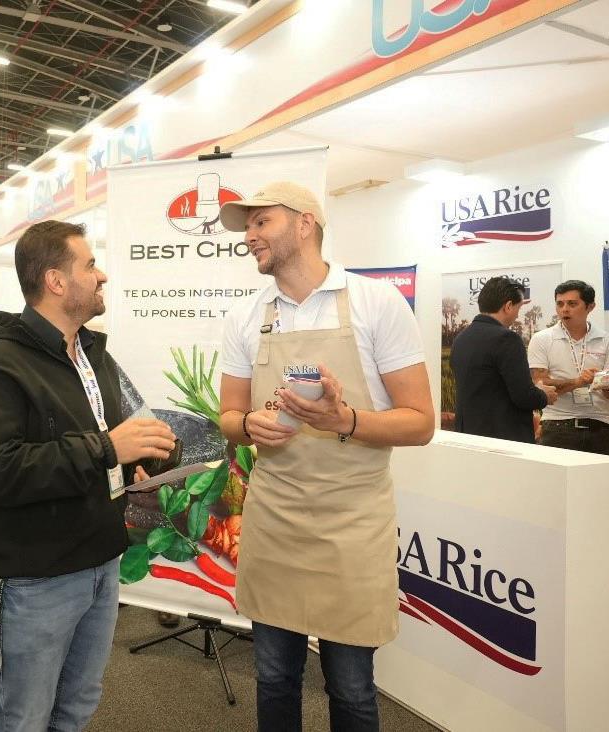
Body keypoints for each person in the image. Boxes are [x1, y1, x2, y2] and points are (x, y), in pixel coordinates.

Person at [216, 182, 435, 732]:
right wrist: (248, 426)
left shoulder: (375, 303)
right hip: (276, 516)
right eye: (248, 226)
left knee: (352, 687)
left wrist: (347, 421)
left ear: (305, 223)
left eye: (261, 222)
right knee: (273, 677)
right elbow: (227, 416)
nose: (249, 236)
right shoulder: (247, 316)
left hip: (352, 519)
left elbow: (421, 421)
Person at [0, 220, 175, 729]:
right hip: (36, 575)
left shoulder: (93, 353)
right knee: (25, 718)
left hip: (100, 560)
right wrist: (104, 449)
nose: (102, 276)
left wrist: (134, 454)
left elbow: (102, 440)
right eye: (90, 265)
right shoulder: (0, 363)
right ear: (56, 281)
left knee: (75, 708)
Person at [450, 277, 556, 442]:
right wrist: (543, 394)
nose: (517, 314)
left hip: (468, 436)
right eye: (518, 308)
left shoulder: (461, 338)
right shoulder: (507, 338)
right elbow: (523, 396)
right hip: (503, 439)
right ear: (508, 306)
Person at [527, 280, 609, 455]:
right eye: (560, 304)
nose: (564, 309)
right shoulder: (542, 339)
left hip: (601, 426)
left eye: (572, 304)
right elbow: (540, 384)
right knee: (554, 482)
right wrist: (578, 381)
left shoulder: (608, 341)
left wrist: (605, 382)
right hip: (558, 424)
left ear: (590, 307)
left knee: (600, 482)